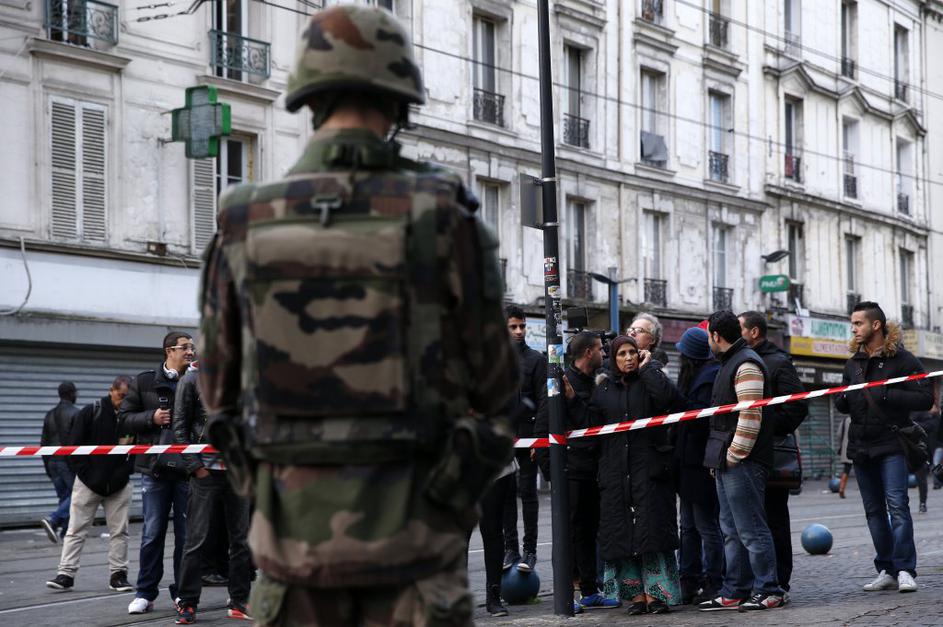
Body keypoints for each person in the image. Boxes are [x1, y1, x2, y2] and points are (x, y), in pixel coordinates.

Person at [196, 5, 519, 625]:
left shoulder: (243, 220)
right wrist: (445, 498)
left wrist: (273, 492)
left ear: (309, 99)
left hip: (292, 565)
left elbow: (218, 397)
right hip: (415, 563)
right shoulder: (442, 214)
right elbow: (498, 392)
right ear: (399, 100)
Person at [835, 301, 933, 593]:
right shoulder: (853, 363)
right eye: (853, 324)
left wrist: (888, 394)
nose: (853, 329)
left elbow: (925, 398)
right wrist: (843, 400)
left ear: (875, 325)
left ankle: (905, 569)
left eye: (858, 323)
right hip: (861, 446)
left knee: (897, 507)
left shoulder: (903, 360)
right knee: (873, 512)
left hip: (891, 444)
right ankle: (887, 569)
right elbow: (844, 401)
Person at [699, 310, 784, 612]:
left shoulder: (746, 363)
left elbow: (750, 415)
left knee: (751, 529)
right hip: (728, 460)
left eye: (708, 335)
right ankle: (735, 590)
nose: (708, 341)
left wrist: (734, 455)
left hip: (743, 461)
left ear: (716, 336)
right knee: (731, 530)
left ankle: (769, 589)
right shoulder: (730, 361)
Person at [593, 335, 683, 615]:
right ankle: (635, 597)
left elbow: (671, 400)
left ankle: (657, 595)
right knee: (622, 535)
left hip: (650, 469)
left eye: (633, 352)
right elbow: (592, 426)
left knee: (651, 532)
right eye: (622, 354)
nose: (629, 358)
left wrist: (649, 368)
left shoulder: (650, 378)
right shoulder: (604, 387)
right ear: (613, 358)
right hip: (615, 472)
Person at [120, 331, 194, 614]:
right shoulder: (144, 381)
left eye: (192, 347)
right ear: (169, 351)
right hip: (154, 470)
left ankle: (183, 594)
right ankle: (145, 593)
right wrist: (150, 418)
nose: (190, 352)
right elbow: (124, 419)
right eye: (185, 347)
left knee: (187, 536)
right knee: (152, 532)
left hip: (188, 469)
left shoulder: (197, 380)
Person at [172, 368, 253, 623]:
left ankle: (239, 600)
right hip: (205, 472)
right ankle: (187, 603)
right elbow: (179, 427)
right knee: (196, 540)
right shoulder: (191, 380)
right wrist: (195, 466)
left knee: (241, 541)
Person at [739, 310, 808, 599]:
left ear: (754, 332)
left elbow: (797, 407)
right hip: (743, 454)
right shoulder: (739, 360)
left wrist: (765, 428)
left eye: (740, 328)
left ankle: (779, 581)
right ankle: (752, 580)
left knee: (774, 518)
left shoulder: (778, 362)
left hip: (770, 455)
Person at [551, 332, 621, 611]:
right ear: (589, 352)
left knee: (588, 533)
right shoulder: (561, 382)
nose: (605, 354)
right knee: (568, 534)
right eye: (601, 350)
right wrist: (552, 472)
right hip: (571, 471)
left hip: (594, 470)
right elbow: (546, 424)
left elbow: (595, 422)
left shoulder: (598, 382)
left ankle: (590, 590)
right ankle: (565, 593)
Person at [45, 376, 134, 593]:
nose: (124, 401)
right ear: (111, 390)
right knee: (76, 529)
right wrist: (87, 475)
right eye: (121, 396)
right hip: (88, 483)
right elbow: (73, 447)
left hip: (118, 485)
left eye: (128, 397)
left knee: (119, 532)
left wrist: (122, 474)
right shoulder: (90, 412)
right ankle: (65, 574)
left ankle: (118, 575)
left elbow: (136, 451)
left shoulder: (132, 417)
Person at [672, 327, 723, 605]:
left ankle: (714, 580)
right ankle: (689, 579)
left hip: (699, 464)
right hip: (688, 463)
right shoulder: (697, 377)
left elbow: (697, 419)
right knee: (689, 526)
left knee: (705, 526)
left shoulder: (707, 377)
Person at [502, 305, 545, 573]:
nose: (519, 331)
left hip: (529, 438)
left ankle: (530, 551)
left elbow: (543, 401)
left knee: (528, 493)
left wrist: (539, 438)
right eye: (513, 327)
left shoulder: (536, 360)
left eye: (522, 326)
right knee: (506, 494)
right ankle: (511, 549)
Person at [40, 381, 79, 544]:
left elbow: (43, 443)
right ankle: (53, 519)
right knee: (77, 495)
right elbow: (78, 441)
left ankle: (65, 533)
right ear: (71, 394)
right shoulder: (75, 413)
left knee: (65, 497)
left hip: (52, 462)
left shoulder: (49, 414)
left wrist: (48, 467)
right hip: (67, 463)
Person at [911, 409, 939, 514]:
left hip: (918, 450)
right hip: (901, 449)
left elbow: (931, 424)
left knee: (921, 479)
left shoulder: (919, 411)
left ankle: (922, 503)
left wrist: (912, 425)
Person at [836, 415, 853, 498]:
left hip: (846, 448)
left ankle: (841, 488)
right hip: (857, 448)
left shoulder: (844, 420)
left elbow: (839, 434)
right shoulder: (859, 418)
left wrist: (842, 445)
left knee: (847, 469)